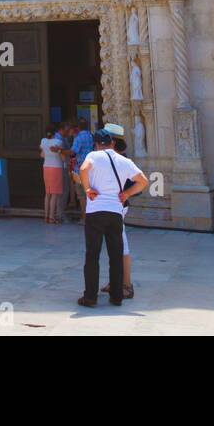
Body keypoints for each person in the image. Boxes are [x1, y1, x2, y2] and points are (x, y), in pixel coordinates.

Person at [77, 125, 148, 308]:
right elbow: (143, 181)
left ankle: (90, 297)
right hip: (115, 212)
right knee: (115, 255)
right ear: (112, 142)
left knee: (92, 255)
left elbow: (83, 169)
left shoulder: (93, 156)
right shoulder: (124, 160)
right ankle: (117, 296)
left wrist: (87, 189)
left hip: (95, 212)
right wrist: (126, 194)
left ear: (96, 144)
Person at [101, 134, 135, 300]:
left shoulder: (121, 161)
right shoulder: (116, 160)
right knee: (113, 245)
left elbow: (140, 181)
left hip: (118, 208)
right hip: (112, 207)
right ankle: (116, 281)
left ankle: (127, 285)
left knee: (122, 246)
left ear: (112, 143)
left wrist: (126, 194)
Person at [39, 124, 67, 223]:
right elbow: (63, 157)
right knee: (54, 194)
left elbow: (42, 155)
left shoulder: (43, 141)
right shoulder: (58, 142)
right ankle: (52, 217)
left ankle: (46, 216)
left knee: (47, 193)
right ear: (55, 132)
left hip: (46, 167)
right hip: (56, 168)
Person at [68, 118, 93, 220]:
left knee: (82, 195)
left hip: (80, 169)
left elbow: (74, 151)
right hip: (91, 168)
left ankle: (84, 217)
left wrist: (61, 150)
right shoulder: (91, 135)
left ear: (77, 128)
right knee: (90, 194)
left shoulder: (78, 137)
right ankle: (91, 217)